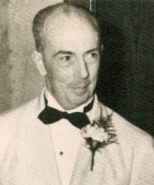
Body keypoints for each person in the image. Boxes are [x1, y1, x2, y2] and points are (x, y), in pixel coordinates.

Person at [0, 2, 154, 185]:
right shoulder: (4, 133)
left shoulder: (138, 147)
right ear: (40, 63)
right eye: (66, 58)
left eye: (91, 55)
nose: (83, 73)